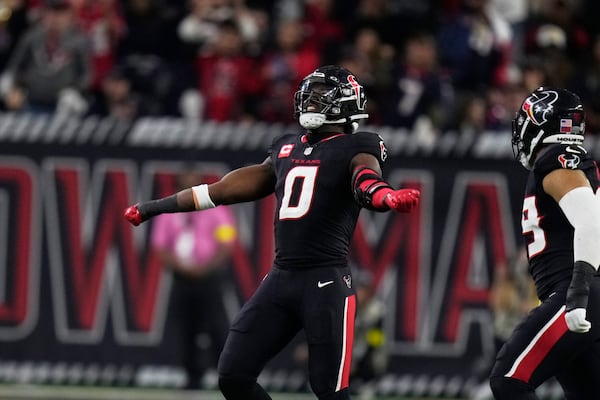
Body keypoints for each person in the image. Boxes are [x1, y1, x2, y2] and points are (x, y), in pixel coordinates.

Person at [123, 65, 420, 400]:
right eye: (310, 93)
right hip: (281, 279)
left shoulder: (357, 146)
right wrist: (153, 207)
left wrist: (387, 196)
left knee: (329, 392)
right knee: (233, 375)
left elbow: (365, 180)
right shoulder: (285, 149)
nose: (311, 101)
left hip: (325, 282)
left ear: (347, 103)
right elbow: (221, 190)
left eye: (322, 95)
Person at [489, 86, 600, 399]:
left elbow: (591, 222)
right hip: (583, 293)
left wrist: (577, 294)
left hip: (575, 293)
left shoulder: (555, 160)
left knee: (508, 378)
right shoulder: (570, 161)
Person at [150, 168, 236, 390]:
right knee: (186, 329)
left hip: (209, 277)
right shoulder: (171, 212)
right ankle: (192, 376)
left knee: (218, 327)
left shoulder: (215, 209)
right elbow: (160, 246)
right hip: (182, 278)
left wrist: (207, 267)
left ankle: (225, 375)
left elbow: (226, 240)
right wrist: (183, 268)